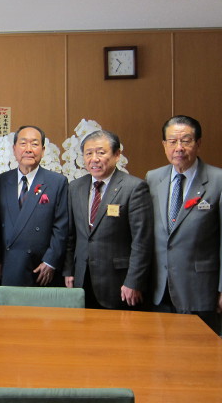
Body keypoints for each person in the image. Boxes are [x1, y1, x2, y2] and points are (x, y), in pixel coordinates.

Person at [146, 115, 222, 332]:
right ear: (164, 145)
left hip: (200, 291)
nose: (178, 148)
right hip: (160, 290)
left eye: (186, 141)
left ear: (198, 143)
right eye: (172, 141)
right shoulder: (153, 178)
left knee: (201, 357)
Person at [64, 130, 153, 309]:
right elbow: (70, 235)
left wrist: (133, 281)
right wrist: (69, 270)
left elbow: (142, 241)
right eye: (88, 153)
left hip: (119, 283)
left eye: (101, 152)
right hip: (82, 279)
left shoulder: (134, 188)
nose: (94, 159)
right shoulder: (75, 187)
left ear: (117, 155)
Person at [0, 125, 68, 287]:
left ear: (43, 150)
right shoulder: (0, 181)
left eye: (34, 144)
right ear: (14, 149)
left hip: (41, 268)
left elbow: (61, 227)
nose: (28, 149)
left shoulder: (57, 182)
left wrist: (50, 261)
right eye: (23, 143)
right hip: (10, 265)